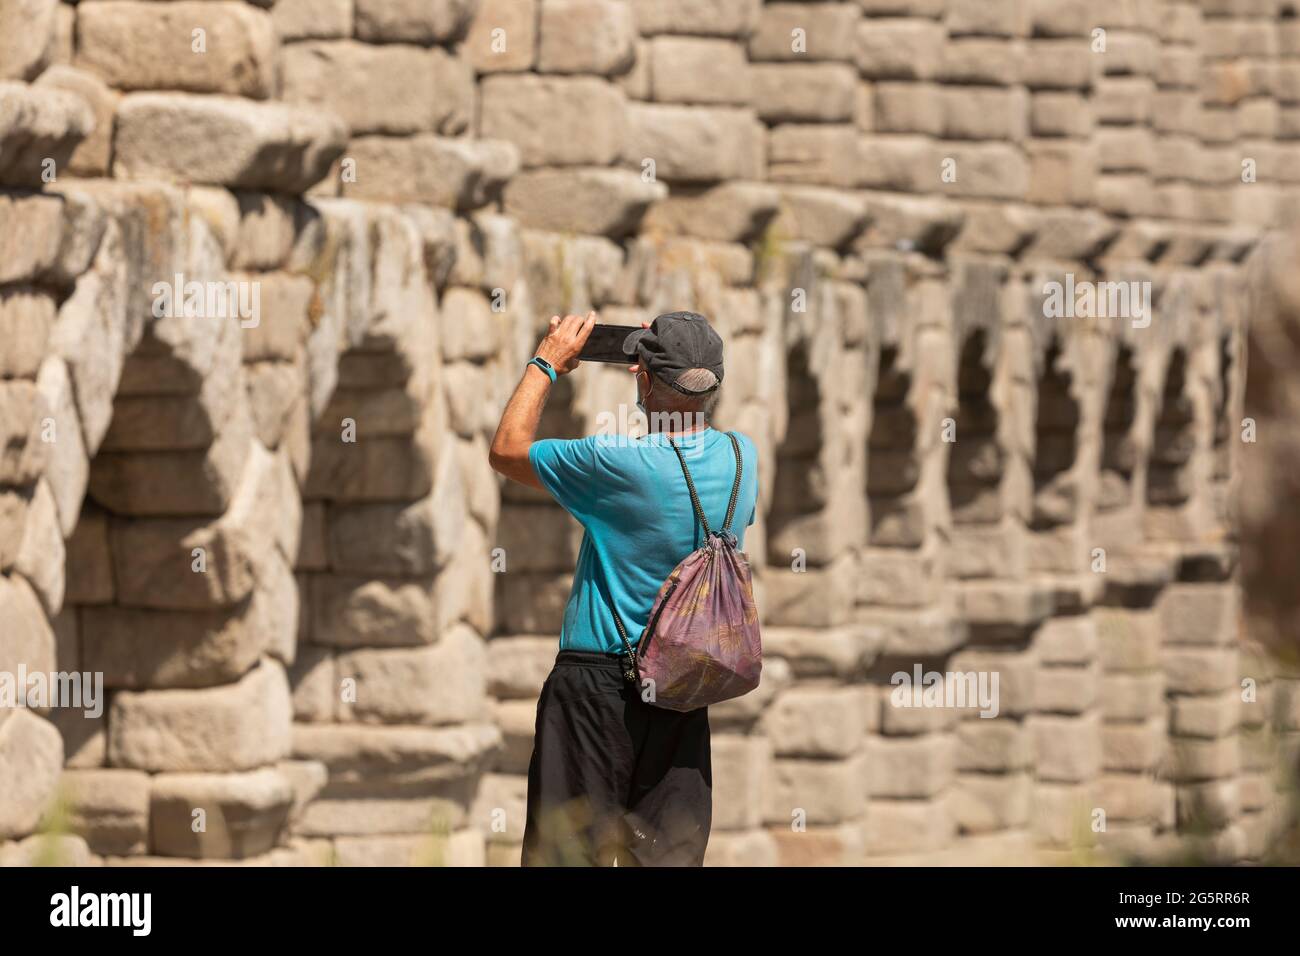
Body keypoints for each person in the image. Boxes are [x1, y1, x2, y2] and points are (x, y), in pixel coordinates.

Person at [489, 310, 760, 867]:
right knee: (667, 859)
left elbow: (508, 449)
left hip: (597, 687)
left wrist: (547, 363)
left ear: (642, 377)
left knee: (566, 855)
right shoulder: (742, 458)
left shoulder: (614, 463)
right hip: (683, 687)